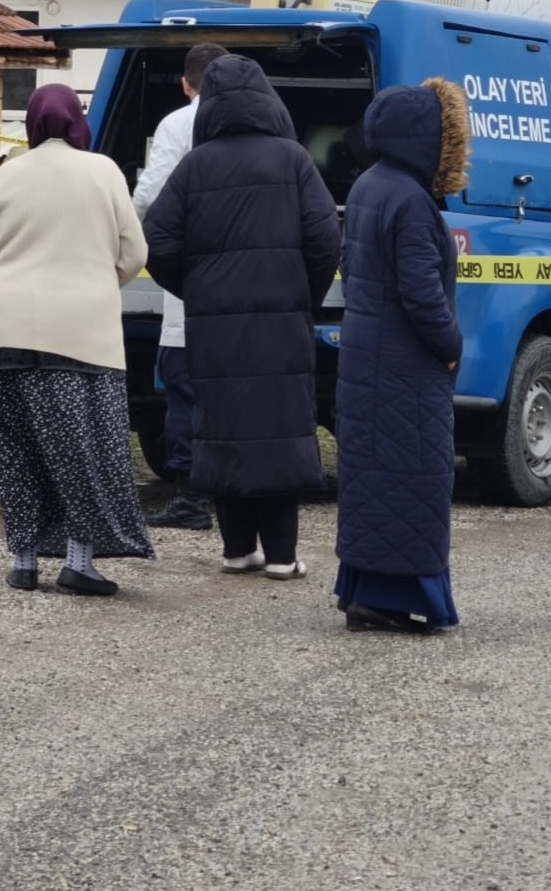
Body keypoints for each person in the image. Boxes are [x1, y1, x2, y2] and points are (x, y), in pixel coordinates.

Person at [143, 55, 341, 580]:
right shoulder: (293, 160)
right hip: (282, 322)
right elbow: (325, 239)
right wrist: (304, 293)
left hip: (214, 325)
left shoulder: (194, 165)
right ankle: (280, 556)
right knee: (278, 428)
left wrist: (196, 289)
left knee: (226, 429)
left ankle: (237, 550)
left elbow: (156, 241)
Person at [0, 84, 155, 595]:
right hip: (79, 334)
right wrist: (98, 281)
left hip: (2, 329)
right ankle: (79, 561)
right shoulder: (101, 170)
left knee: (17, 448)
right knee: (82, 451)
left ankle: (26, 560)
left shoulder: (8, 172)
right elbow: (134, 250)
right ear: (78, 119)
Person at [333, 80, 469, 634]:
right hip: (404, 364)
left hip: (366, 355)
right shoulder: (412, 201)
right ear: (428, 139)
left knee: (371, 477)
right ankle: (392, 597)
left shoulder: (369, 183)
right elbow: (420, 292)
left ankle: (360, 589)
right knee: (413, 476)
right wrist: (451, 346)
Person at [132, 41, 227, 532]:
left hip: (191, 281)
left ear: (187, 83)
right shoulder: (268, 126)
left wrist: (131, 238)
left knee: (184, 388)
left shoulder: (178, 124)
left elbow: (152, 193)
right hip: (247, 287)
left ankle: (191, 497)